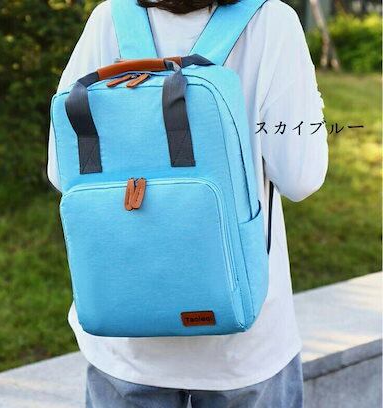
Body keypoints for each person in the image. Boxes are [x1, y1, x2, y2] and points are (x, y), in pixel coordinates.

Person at [48, 0, 328, 406]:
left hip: (125, 341)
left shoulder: (111, 17)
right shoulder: (271, 21)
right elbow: (302, 177)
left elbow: (62, 171)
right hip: (241, 348)